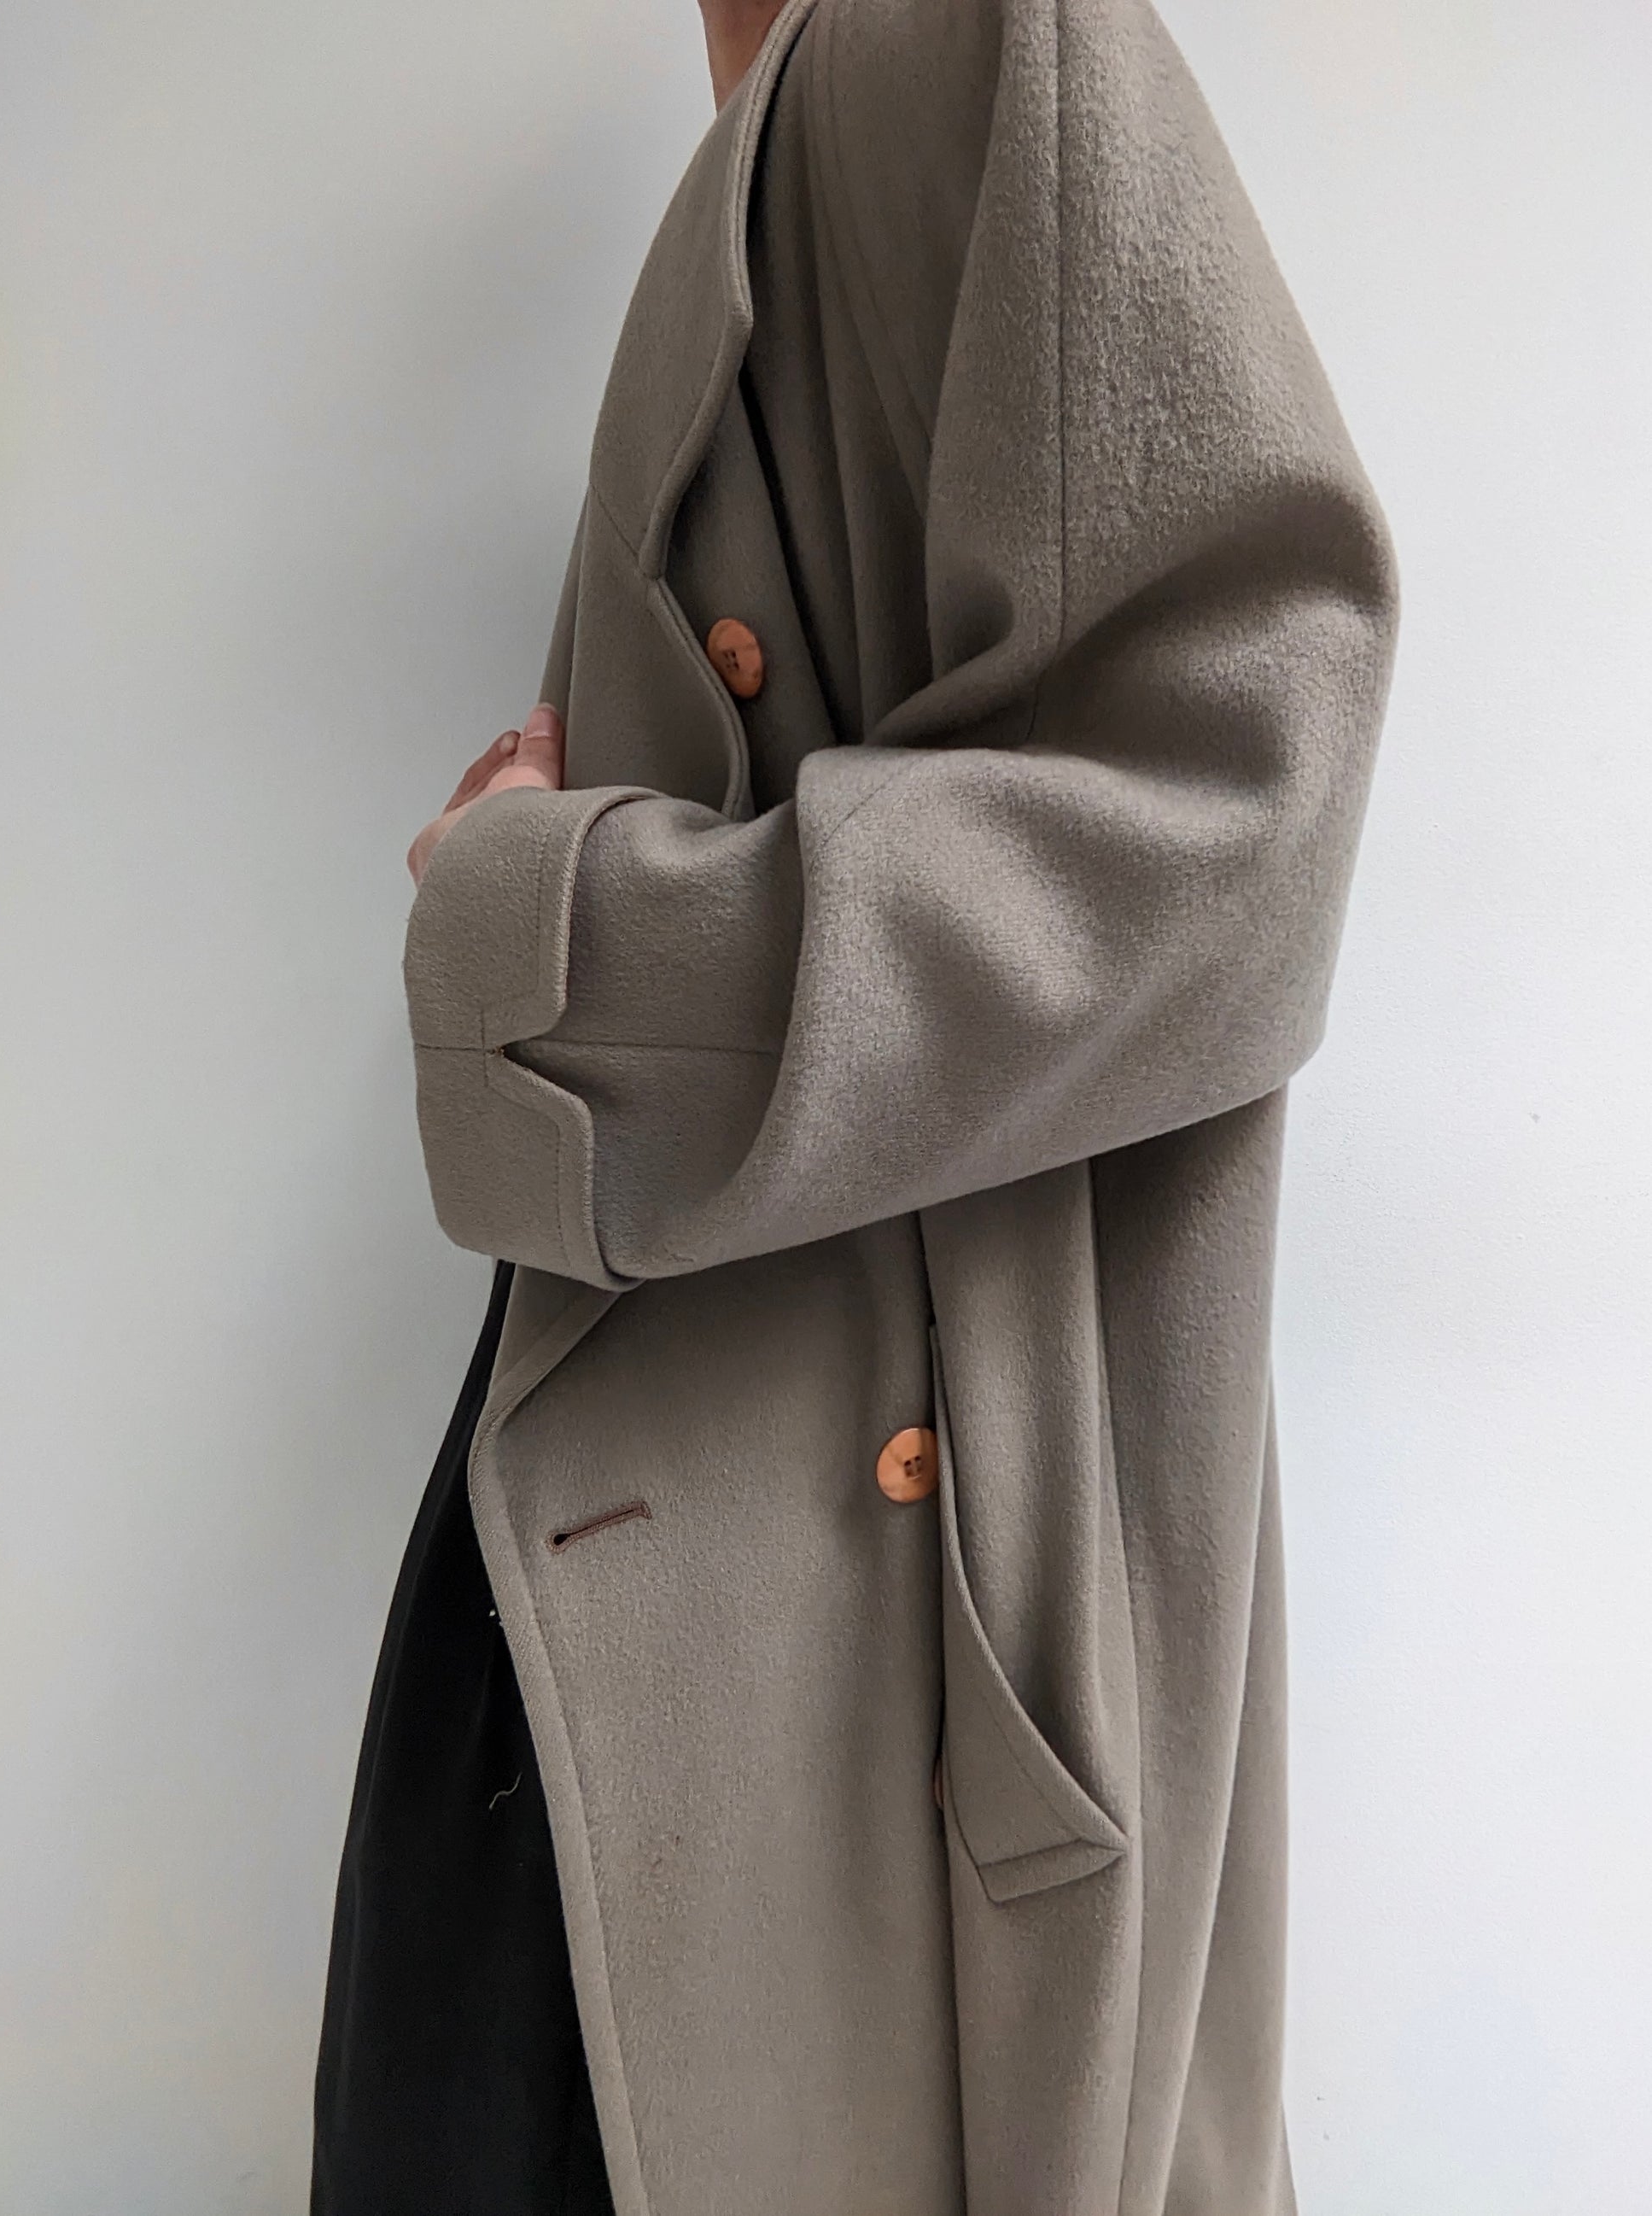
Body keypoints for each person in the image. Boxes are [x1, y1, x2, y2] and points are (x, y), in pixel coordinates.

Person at [312, 0, 1399, 2208]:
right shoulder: (806, 111)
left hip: (864, 1612)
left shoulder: (978, 41)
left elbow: (1241, 797)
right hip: (654, 1538)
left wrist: (548, 932)